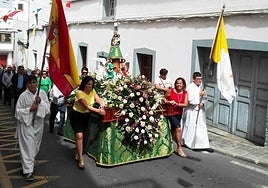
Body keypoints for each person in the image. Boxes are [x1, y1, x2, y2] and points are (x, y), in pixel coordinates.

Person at [15, 75, 50, 182]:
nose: (32, 85)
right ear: (26, 84)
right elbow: (17, 112)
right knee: (28, 147)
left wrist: (41, 103)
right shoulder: (23, 96)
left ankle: (27, 166)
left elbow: (48, 109)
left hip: (38, 124)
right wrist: (30, 109)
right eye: (30, 83)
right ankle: (29, 171)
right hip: (26, 125)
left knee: (35, 147)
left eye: (34, 82)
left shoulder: (42, 94)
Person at [69, 76, 106, 169]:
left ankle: (77, 151)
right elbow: (86, 106)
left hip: (86, 116)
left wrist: (101, 104)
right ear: (84, 84)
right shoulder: (79, 93)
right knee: (79, 136)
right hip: (76, 115)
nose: (90, 86)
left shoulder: (93, 91)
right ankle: (81, 159)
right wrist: (98, 111)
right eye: (88, 84)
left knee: (82, 135)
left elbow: (98, 99)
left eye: (91, 84)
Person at [182, 72, 214, 152]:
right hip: (192, 110)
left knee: (201, 128)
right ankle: (189, 143)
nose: (200, 81)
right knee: (191, 128)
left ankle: (204, 144)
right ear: (194, 79)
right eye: (198, 79)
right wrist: (198, 95)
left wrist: (202, 103)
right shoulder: (189, 88)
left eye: (200, 79)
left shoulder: (201, 86)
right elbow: (190, 100)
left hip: (200, 111)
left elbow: (205, 97)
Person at [165, 77, 188, 158]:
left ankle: (168, 145)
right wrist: (169, 102)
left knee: (173, 130)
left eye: (180, 83)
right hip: (171, 113)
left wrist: (177, 104)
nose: (179, 85)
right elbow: (164, 99)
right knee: (178, 128)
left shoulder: (185, 93)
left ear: (183, 84)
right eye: (177, 83)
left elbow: (185, 104)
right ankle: (179, 148)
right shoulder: (170, 90)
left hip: (179, 113)